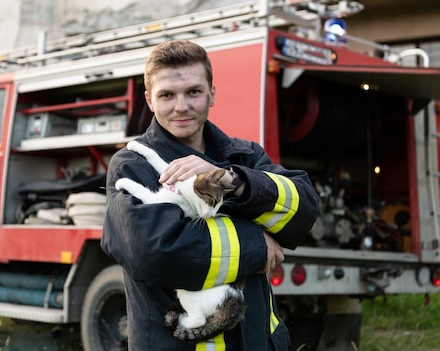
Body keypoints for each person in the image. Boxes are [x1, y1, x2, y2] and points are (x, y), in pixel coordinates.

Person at [102, 39, 319, 350]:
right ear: (149, 100)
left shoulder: (244, 156)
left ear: (212, 93)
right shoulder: (132, 166)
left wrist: (231, 180)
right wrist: (258, 244)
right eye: (167, 95)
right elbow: (156, 252)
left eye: (193, 92)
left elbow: (303, 210)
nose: (181, 106)